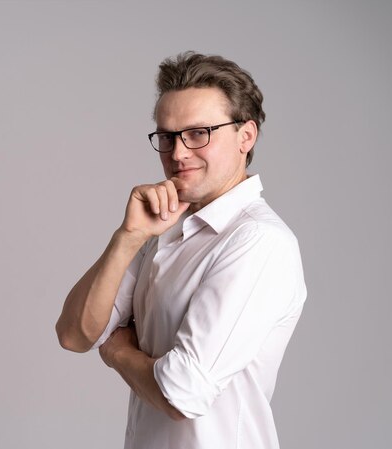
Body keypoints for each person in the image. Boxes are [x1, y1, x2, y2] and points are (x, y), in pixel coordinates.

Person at [55, 51, 307, 449]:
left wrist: (120, 351)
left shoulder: (258, 241)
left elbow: (182, 391)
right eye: (168, 136)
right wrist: (128, 237)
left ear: (246, 136)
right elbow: (75, 334)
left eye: (198, 133)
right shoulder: (165, 233)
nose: (177, 153)